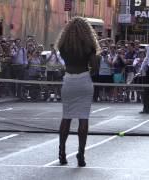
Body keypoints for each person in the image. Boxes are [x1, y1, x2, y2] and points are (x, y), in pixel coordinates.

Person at [56, 17, 100, 167]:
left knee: (66, 117)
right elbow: (95, 69)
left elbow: (64, 62)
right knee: (83, 119)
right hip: (83, 81)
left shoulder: (63, 46)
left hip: (68, 81)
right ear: (86, 31)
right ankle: (81, 154)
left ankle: (62, 152)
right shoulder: (89, 46)